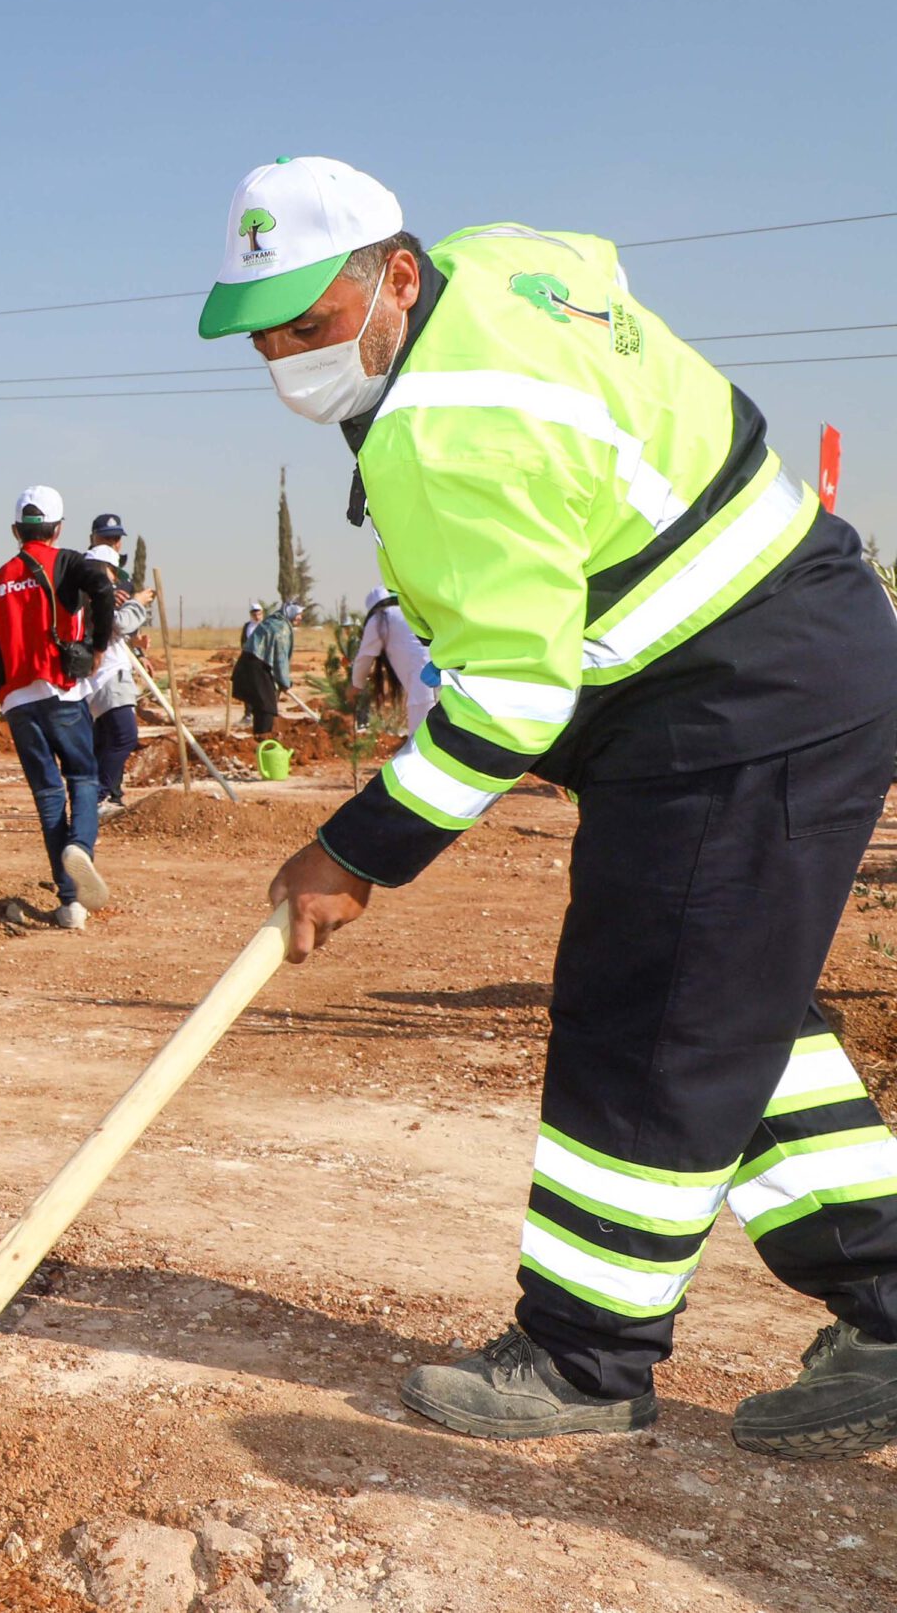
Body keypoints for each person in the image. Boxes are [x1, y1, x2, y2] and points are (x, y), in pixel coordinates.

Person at [201, 155, 897, 1453]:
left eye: (310, 322)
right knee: (721, 1004)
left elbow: (512, 700)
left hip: (732, 697)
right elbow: (593, 263)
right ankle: (890, 1299)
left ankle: (586, 1360)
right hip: (788, 652)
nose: (289, 359)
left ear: (395, 276)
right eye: (264, 337)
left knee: (645, 1021)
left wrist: (352, 852)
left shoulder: (446, 433)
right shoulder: (497, 265)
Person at [0, 485, 117, 929]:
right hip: (61, 691)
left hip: (17, 703)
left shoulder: (3, 576)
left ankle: (70, 904)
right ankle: (80, 847)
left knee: (48, 796)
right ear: (58, 528)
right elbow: (103, 590)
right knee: (83, 776)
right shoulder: (68, 561)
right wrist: (98, 648)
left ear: (16, 530)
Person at [82, 537, 150, 810]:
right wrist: (137, 603)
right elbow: (120, 624)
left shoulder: (81, 595)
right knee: (125, 736)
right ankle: (98, 796)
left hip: (99, 679)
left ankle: (97, 797)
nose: (115, 579)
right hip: (109, 677)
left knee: (107, 740)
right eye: (112, 572)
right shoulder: (96, 595)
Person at [348, 583, 435, 732]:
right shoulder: (412, 612)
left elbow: (364, 658)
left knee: (421, 739)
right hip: (443, 681)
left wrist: (355, 686)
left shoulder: (380, 618)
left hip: (423, 688)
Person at [233, 602, 295, 735]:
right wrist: (284, 682)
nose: (301, 617)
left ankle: (260, 736)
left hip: (253, 666)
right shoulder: (281, 628)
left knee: (262, 705)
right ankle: (263, 736)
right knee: (267, 706)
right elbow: (280, 657)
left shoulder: (271, 623)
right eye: (299, 614)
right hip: (256, 666)